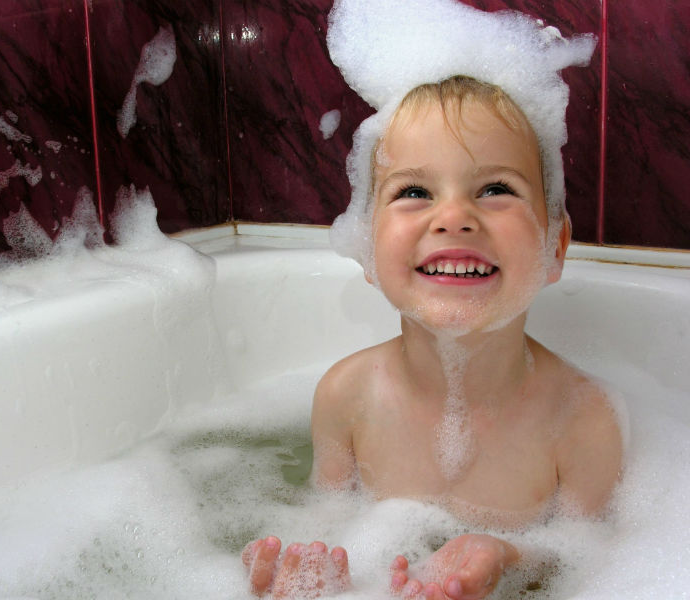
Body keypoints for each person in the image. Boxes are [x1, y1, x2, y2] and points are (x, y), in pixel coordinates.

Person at [242, 76, 624, 599]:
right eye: (414, 192)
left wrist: (511, 560)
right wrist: (304, 575)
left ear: (553, 245)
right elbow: (326, 525)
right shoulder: (345, 396)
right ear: (366, 247)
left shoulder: (584, 419)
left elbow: (592, 563)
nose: (453, 218)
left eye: (495, 189)